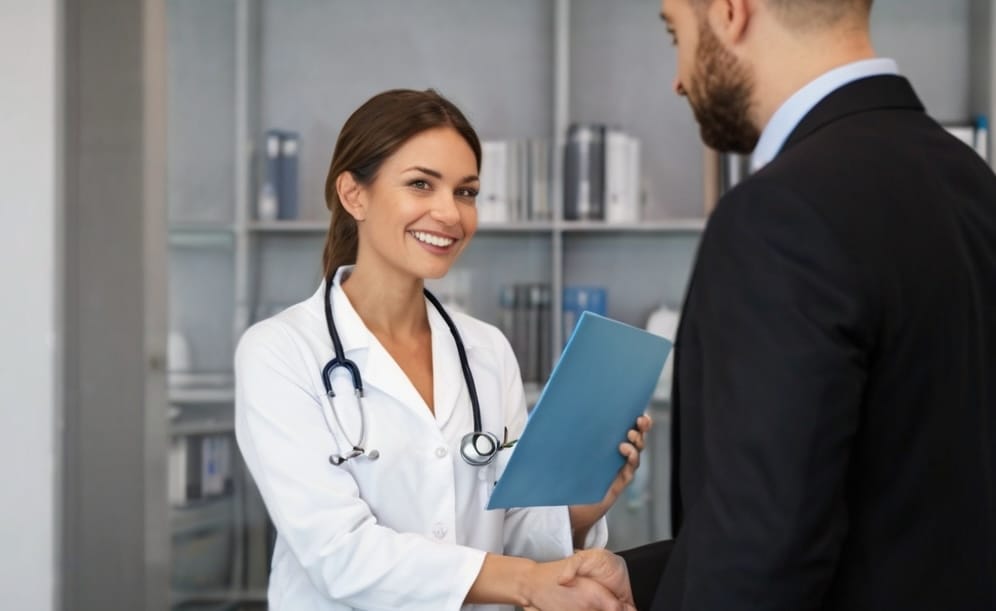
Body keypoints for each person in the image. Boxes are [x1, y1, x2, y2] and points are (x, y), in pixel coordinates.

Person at [564, 0, 996, 609]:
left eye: (675, 34)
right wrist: (645, 577)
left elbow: (760, 553)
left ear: (730, 13)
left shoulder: (779, 214)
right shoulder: (971, 181)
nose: (679, 80)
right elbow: (898, 501)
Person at [234, 88, 649, 611]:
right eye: (421, 184)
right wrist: (526, 582)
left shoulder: (486, 349)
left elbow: (512, 534)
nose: (450, 213)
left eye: (466, 192)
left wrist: (580, 508)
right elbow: (339, 553)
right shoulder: (279, 352)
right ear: (353, 194)